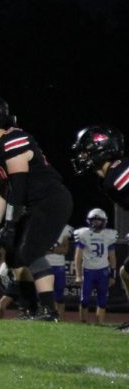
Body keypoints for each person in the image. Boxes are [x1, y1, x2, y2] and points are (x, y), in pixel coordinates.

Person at [0, 94, 72, 321]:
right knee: (12, 255)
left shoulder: (15, 138)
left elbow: (19, 187)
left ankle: (49, 310)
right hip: (30, 204)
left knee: (30, 251)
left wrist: (11, 223)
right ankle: (29, 309)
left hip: (50, 200)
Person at [71, 126, 129, 332]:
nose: (82, 157)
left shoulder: (119, 174)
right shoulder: (110, 177)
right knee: (126, 273)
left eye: (86, 152)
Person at [74, 208, 117, 324]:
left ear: (104, 221)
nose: (96, 223)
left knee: (102, 301)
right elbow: (78, 257)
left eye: (98, 220)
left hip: (103, 271)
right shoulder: (84, 234)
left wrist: (113, 275)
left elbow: (112, 257)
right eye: (93, 220)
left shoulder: (109, 235)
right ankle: (83, 323)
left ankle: (100, 325)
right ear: (89, 221)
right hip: (88, 271)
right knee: (84, 300)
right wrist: (78, 275)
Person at [45, 223, 73, 310]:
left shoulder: (65, 228)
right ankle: (48, 315)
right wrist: (57, 250)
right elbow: (40, 249)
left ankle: (59, 319)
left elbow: (64, 250)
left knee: (59, 295)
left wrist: (50, 249)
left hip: (59, 265)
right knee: (46, 293)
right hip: (45, 264)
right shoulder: (41, 226)